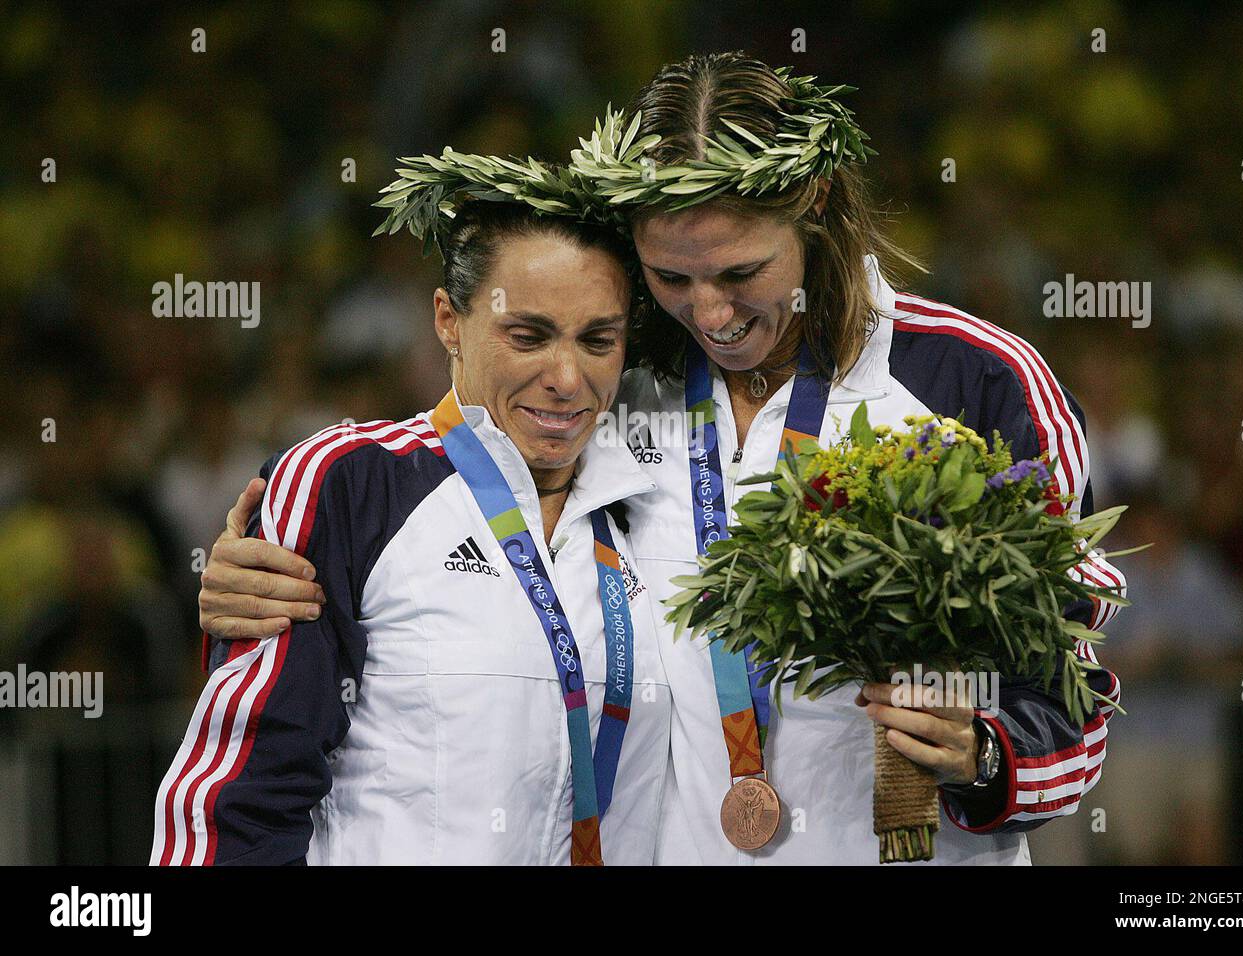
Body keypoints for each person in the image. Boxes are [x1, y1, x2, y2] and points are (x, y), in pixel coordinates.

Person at [197, 53, 1127, 865]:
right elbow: (451, 495)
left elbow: (1073, 692)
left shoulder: (978, 384)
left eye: (740, 274)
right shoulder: (624, 382)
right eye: (670, 278)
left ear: (821, 212)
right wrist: (278, 570)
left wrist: (986, 750)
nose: (710, 314)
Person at [152, 161, 671, 866]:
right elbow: (242, 795)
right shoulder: (353, 484)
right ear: (449, 321)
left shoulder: (655, 508)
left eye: (598, 340)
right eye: (528, 336)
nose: (567, 379)